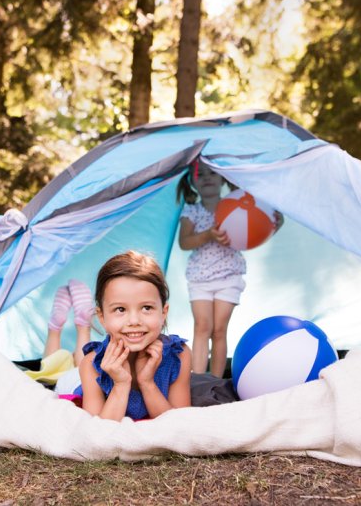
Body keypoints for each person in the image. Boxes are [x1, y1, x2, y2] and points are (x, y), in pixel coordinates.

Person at [78, 251, 192, 421]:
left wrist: (147, 383)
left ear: (163, 312)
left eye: (146, 308)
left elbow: (180, 426)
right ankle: (81, 325)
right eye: (120, 309)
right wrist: (121, 385)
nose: (134, 321)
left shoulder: (179, 355)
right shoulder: (91, 365)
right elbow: (97, 437)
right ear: (102, 317)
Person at [177, 160, 246, 377]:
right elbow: (184, 242)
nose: (207, 178)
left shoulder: (234, 207)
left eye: (212, 174)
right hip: (200, 278)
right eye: (201, 174)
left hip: (229, 276)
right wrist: (208, 234)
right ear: (193, 182)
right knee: (202, 327)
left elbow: (247, 234)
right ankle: (198, 378)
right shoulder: (192, 211)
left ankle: (215, 381)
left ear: (223, 178)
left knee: (219, 330)